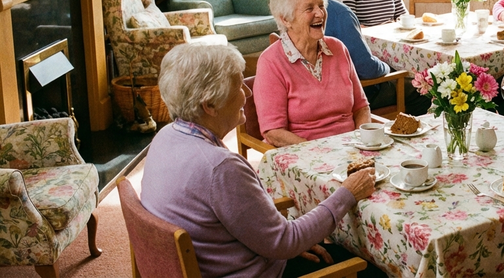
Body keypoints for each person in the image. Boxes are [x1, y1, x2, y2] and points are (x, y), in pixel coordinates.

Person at [141, 43, 378, 277]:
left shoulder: (165, 137)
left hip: (233, 257)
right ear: (209, 104)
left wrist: (283, 243)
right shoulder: (221, 168)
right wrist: (348, 193)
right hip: (255, 271)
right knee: (374, 266)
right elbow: (287, 241)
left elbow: (263, 232)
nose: (248, 92)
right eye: (238, 85)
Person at [255, 0, 372, 146]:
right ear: (286, 19)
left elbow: (361, 107)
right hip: (303, 152)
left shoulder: (338, 48)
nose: (320, 13)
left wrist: (362, 141)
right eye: (309, 9)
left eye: (321, 6)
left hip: (351, 147)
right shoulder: (271, 62)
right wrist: (318, 151)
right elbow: (274, 132)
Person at [309, 0, 430, 116]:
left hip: (312, 91)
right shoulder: (340, 13)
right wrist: (387, 67)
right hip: (349, 93)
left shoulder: (301, 6)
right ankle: (404, 131)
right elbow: (367, 69)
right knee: (422, 90)